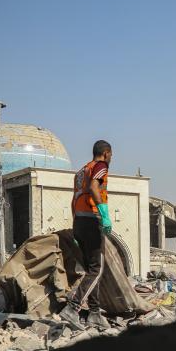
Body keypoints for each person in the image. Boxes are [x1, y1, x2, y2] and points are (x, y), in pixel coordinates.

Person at [58, 140, 113, 331]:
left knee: (91, 269)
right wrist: (104, 214)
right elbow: (94, 188)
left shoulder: (81, 171)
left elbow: (74, 199)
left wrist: (75, 224)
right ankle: (73, 308)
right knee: (97, 269)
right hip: (91, 221)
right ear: (106, 153)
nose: (110, 159)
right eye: (110, 155)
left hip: (79, 222)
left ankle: (95, 313)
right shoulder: (100, 166)